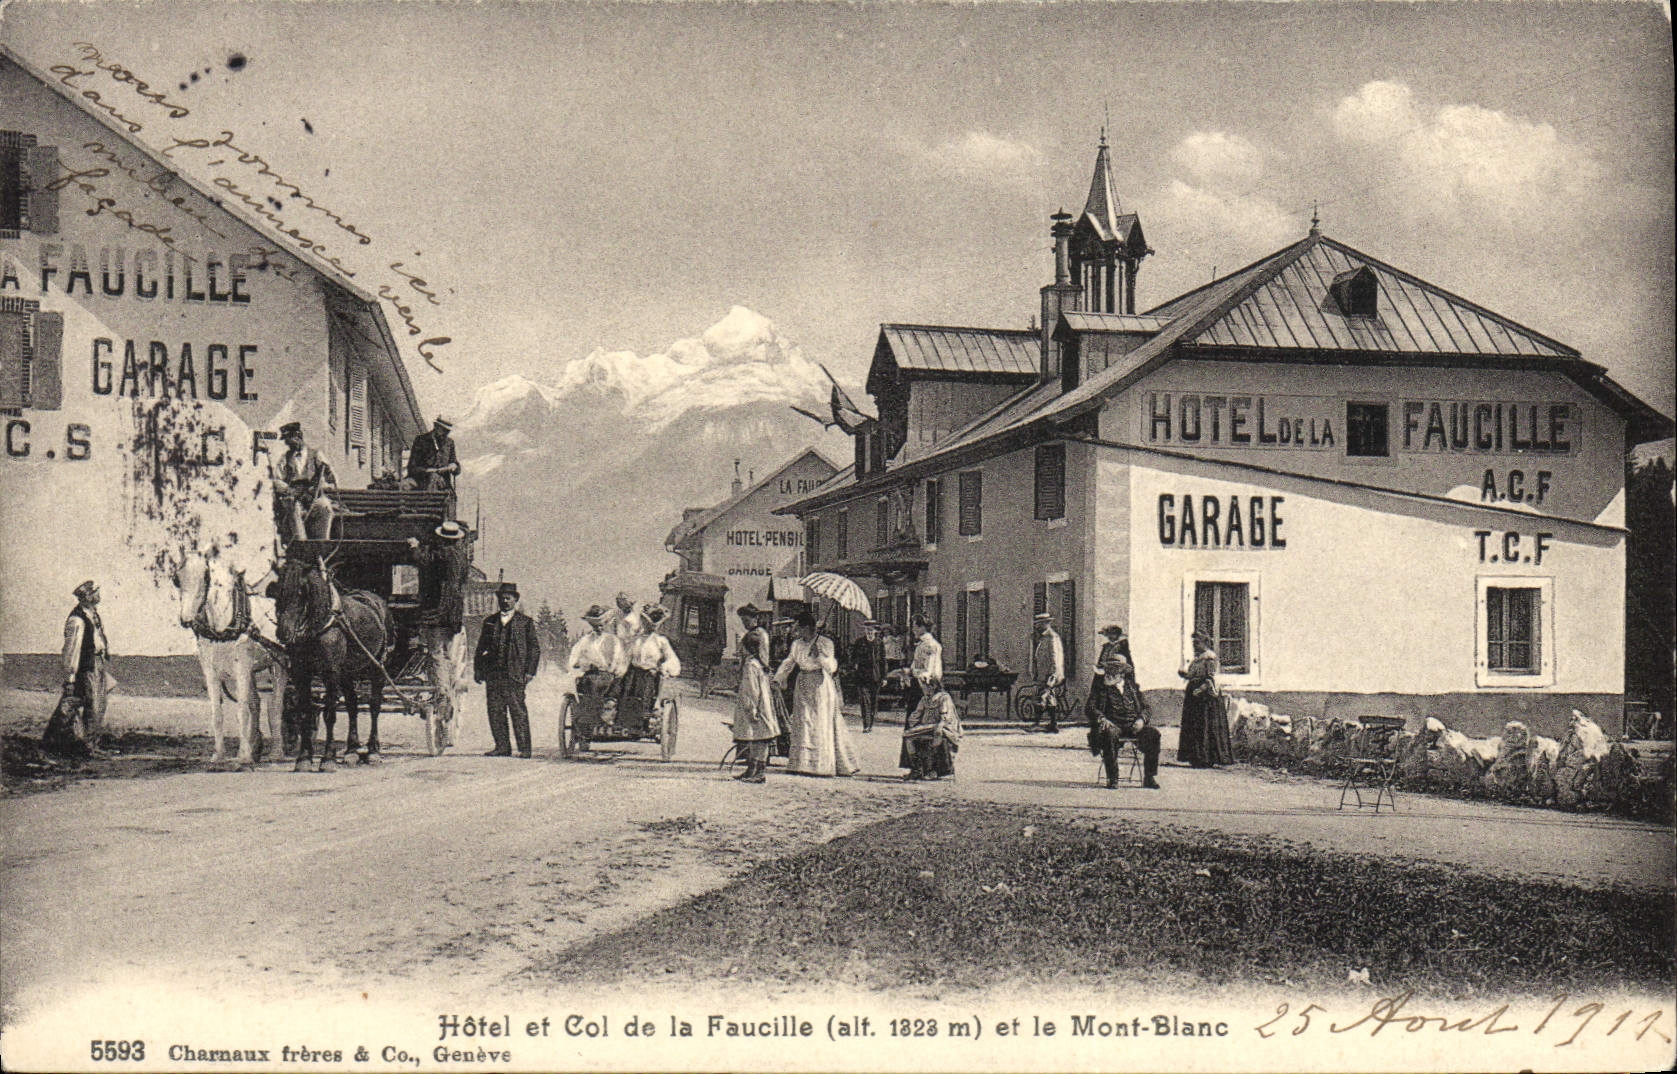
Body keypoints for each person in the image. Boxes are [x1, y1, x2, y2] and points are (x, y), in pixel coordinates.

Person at [775, 610, 860, 777]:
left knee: (819, 722)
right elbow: (789, 662)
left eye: (798, 628)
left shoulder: (825, 642)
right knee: (803, 720)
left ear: (807, 627)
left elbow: (832, 667)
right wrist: (778, 678)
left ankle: (821, 765)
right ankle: (801, 764)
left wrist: (819, 656)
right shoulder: (797, 644)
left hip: (820, 685)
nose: (796, 632)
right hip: (803, 683)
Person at [405, 521, 472, 735]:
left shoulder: (445, 554)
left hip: (439, 612)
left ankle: (443, 694)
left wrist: (415, 546)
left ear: (443, 539)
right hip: (451, 613)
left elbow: (424, 561)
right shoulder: (460, 556)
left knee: (435, 653)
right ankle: (445, 685)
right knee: (443, 653)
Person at [43, 580, 111, 755]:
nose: (98, 595)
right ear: (86, 597)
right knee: (91, 705)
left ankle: (88, 744)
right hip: (86, 667)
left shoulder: (92, 614)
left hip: (96, 664)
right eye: (94, 593)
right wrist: (70, 677)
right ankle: (84, 746)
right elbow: (72, 651)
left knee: (97, 704)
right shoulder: (77, 620)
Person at [1088, 626, 1161, 789]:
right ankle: (1113, 778)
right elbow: (1090, 707)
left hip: (1133, 726)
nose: (1112, 673)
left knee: (1153, 734)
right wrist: (1102, 719)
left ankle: (1149, 777)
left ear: (1122, 672)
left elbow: (1147, 708)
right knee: (1109, 734)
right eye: (1110, 670)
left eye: (1116, 670)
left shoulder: (1132, 687)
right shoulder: (1101, 688)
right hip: (1113, 726)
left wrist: (1141, 720)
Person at [472, 583, 540, 758]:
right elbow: (481, 648)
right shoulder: (489, 622)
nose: (505, 601)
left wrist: (530, 672)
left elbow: (534, 649)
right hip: (494, 674)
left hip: (515, 674)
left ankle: (524, 749)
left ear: (515, 600)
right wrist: (478, 670)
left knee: (518, 710)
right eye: (502, 598)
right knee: (495, 710)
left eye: (508, 598)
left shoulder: (525, 622)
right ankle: (502, 747)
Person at [729, 604, 780, 783]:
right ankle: (752, 769)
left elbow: (751, 690)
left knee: (759, 734)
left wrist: (751, 708)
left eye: (746, 620)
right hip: (762, 695)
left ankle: (759, 772)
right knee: (756, 734)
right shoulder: (756, 661)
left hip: (756, 701)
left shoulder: (751, 664)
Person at [567, 604, 625, 745]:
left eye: (601, 624)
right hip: (590, 674)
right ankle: (586, 721)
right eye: (595, 625)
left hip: (608, 675)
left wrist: (613, 669)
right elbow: (574, 657)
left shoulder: (613, 640)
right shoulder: (585, 640)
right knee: (584, 684)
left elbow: (619, 659)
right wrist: (580, 664)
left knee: (597, 684)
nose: (599, 628)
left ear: (606, 623)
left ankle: (601, 717)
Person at [271, 422, 335, 544]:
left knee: (324, 506)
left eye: (289, 440)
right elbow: (276, 479)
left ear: (298, 436)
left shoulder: (316, 454)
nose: (287, 444)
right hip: (295, 497)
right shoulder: (285, 458)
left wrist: (327, 472)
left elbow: (330, 478)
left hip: (312, 497)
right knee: (292, 506)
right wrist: (288, 490)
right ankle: (302, 544)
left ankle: (322, 544)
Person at [1177, 630, 1233, 768]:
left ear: (1205, 643)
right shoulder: (1198, 659)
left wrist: (1200, 689)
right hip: (1194, 697)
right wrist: (1185, 675)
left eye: (1197, 643)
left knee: (1206, 725)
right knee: (1195, 725)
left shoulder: (1210, 658)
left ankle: (1207, 757)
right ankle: (1195, 757)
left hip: (1205, 697)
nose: (1195, 646)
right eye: (1194, 643)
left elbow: (1211, 678)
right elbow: (1194, 675)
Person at [617, 603, 681, 720]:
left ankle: (644, 717)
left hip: (649, 676)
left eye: (654, 624)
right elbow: (626, 656)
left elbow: (672, 658)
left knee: (644, 696)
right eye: (647, 623)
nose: (651, 626)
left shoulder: (660, 641)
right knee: (624, 695)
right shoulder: (635, 639)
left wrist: (665, 666)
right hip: (633, 674)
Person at [900, 674, 962, 781]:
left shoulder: (943, 698)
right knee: (908, 737)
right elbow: (916, 714)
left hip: (945, 727)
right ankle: (917, 769)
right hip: (927, 727)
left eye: (924, 687)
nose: (923, 689)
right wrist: (913, 723)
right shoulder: (925, 699)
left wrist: (940, 725)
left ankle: (933, 769)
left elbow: (945, 717)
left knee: (937, 736)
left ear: (933, 687)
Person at [1029, 611, 1066, 733]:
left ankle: (1038, 723)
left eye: (1039, 624)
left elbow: (1055, 656)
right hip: (1043, 673)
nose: (1037, 626)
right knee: (1048, 697)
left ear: (1046, 624)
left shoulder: (1051, 637)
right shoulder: (1043, 637)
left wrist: (1053, 674)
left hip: (1049, 674)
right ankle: (1053, 724)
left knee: (1041, 697)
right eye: (1036, 624)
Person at [405, 417, 460, 491]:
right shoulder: (421, 440)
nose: (446, 433)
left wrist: (454, 466)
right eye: (444, 430)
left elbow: (454, 463)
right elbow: (412, 467)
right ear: (436, 426)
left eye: (448, 431)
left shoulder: (449, 443)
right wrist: (427, 471)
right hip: (423, 482)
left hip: (443, 485)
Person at [850, 621, 886, 733]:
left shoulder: (879, 643)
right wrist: (855, 664)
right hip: (862, 676)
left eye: (871, 630)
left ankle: (871, 723)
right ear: (865, 631)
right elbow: (853, 657)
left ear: (875, 631)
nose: (869, 632)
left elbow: (883, 661)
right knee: (865, 701)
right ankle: (866, 724)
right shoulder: (859, 642)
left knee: (874, 701)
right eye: (867, 630)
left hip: (876, 676)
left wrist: (884, 677)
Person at [904, 615, 942, 718]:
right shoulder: (922, 644)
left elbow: (927, 670)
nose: (913, 630)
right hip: (921, 684)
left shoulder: (928, 645)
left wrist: (911, 672)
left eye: (915, 626)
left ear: (922, 628)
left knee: (917, 718)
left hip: (925, 685)